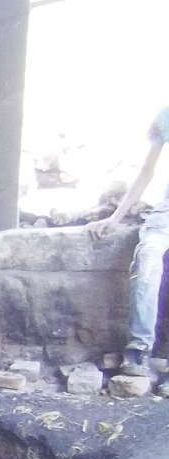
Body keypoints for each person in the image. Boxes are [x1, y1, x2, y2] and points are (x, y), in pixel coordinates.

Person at [89, 106, 169, 373]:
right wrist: (116, 217)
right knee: (147, 257)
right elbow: (147, 171)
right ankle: (139, 349)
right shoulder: (166, 116)